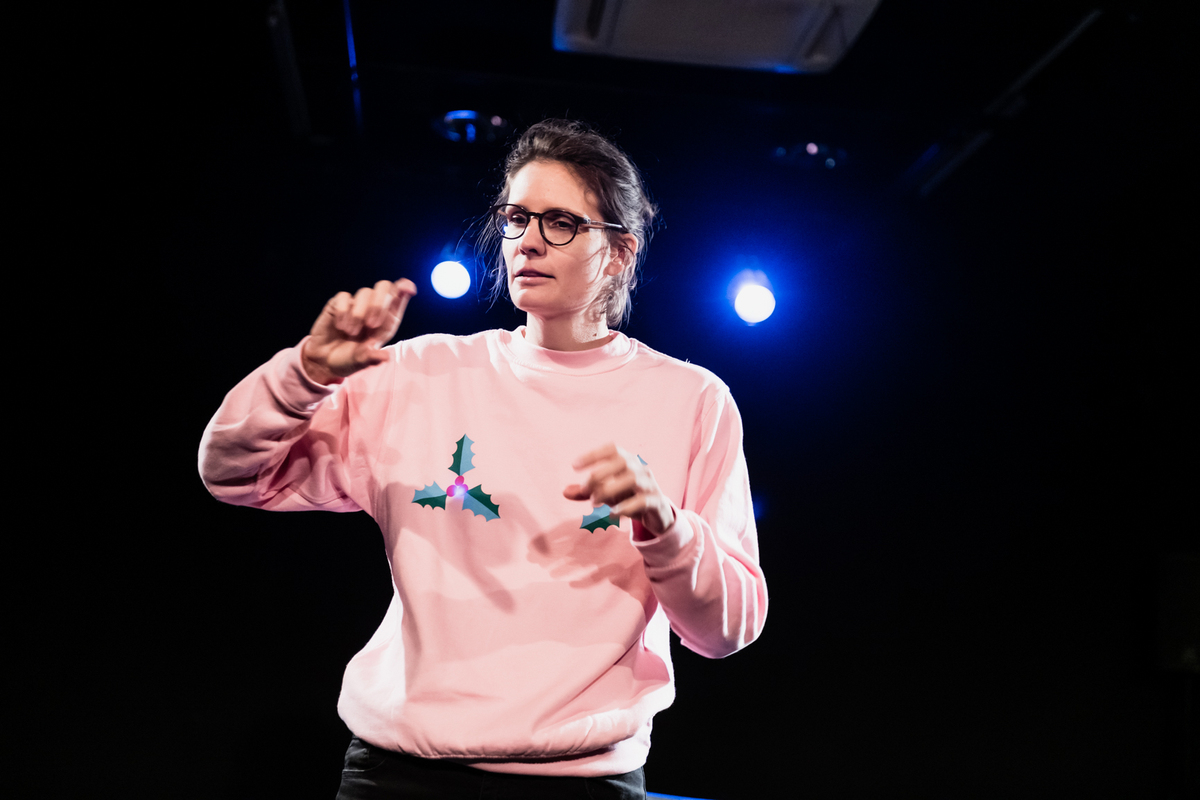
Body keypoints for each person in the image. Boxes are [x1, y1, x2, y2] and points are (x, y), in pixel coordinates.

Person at [199, 119, 767, 799]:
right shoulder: (419, 373)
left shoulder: (692, 400)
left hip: (582, 783)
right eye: (516, 218)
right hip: (398, 778)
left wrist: (665, 529)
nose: (528, 240)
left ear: (619, 252)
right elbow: (231, 473)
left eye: (561, 222)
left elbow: (728, 629)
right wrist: (305, 375)